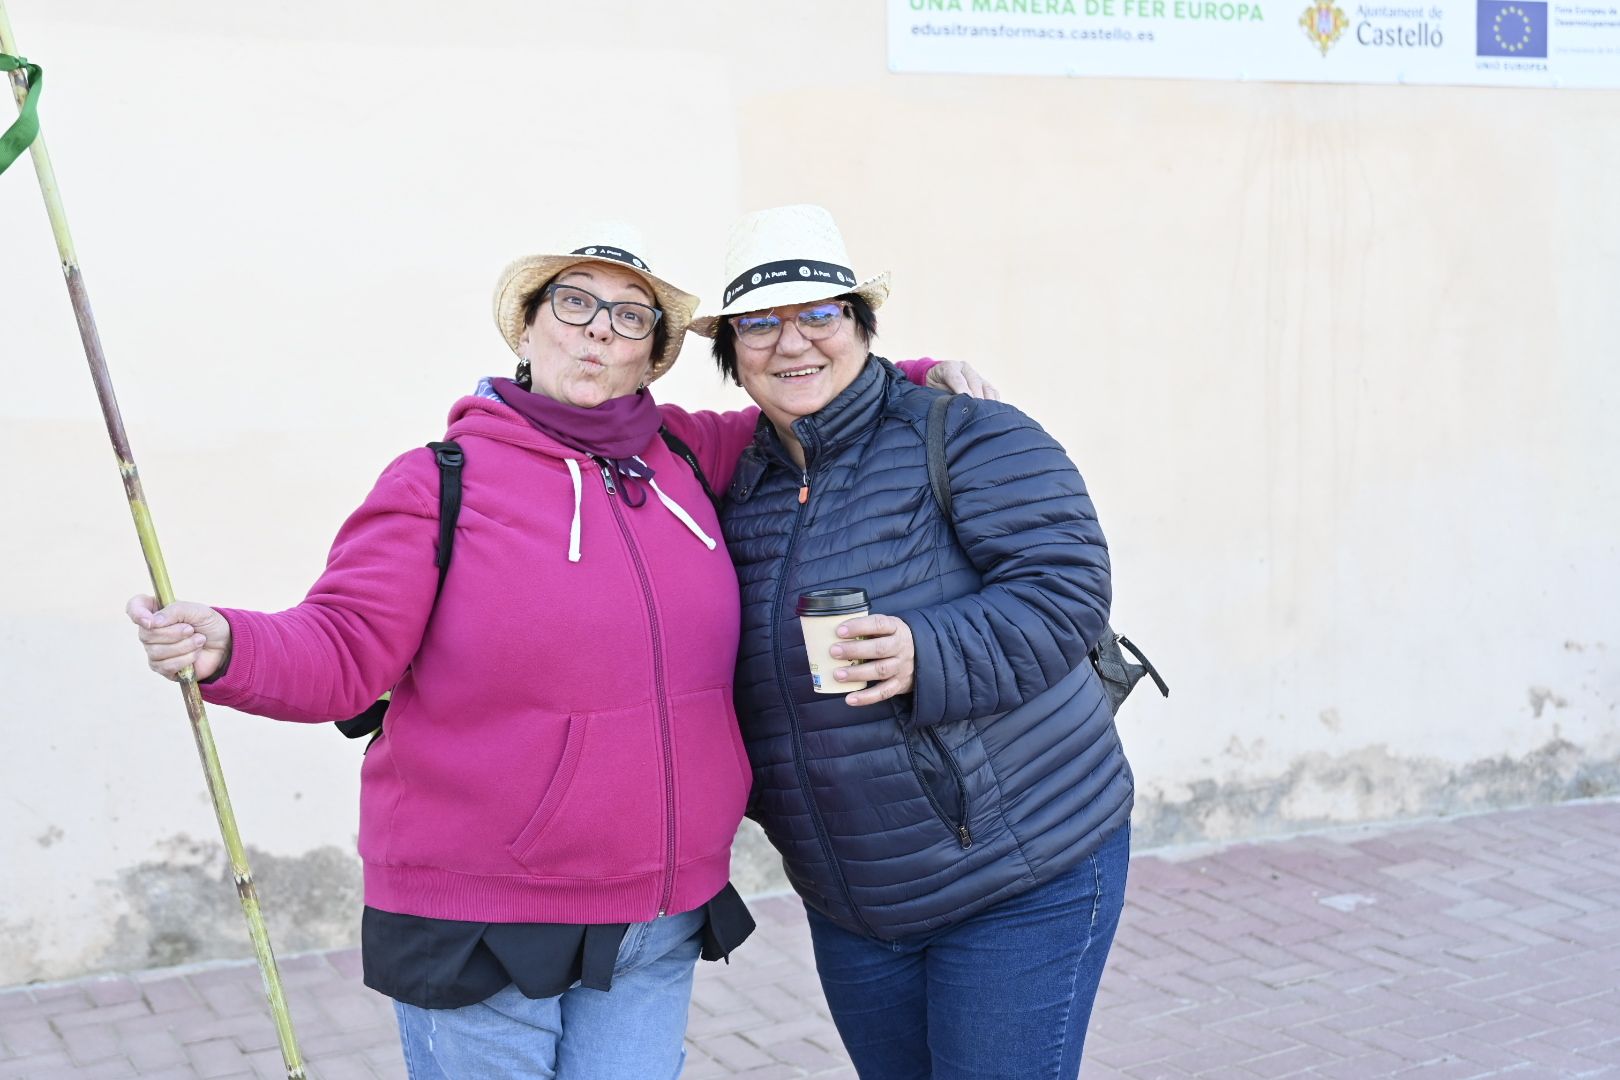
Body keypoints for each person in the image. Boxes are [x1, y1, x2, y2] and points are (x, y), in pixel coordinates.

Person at [125, 223, 987, 1079]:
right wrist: (233, 643)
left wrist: (912, 376)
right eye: (574, 304)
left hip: (656, 912)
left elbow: (807, 395)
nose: (600, 329)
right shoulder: (439, 480)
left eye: (631, 317)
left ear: (651, 357)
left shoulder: (689, 451)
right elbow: (343, 645)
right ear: (528, 331)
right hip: (485, 915)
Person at [694, 204, 1132, 1080]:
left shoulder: (966, 431)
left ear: (860, 325)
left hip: (1020, 868)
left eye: (820, 314)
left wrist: (925, 652)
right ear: (731, 353)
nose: (793, 344)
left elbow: (1066, 589)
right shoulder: (735, 485)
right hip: (856, 900)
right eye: (760, 323)